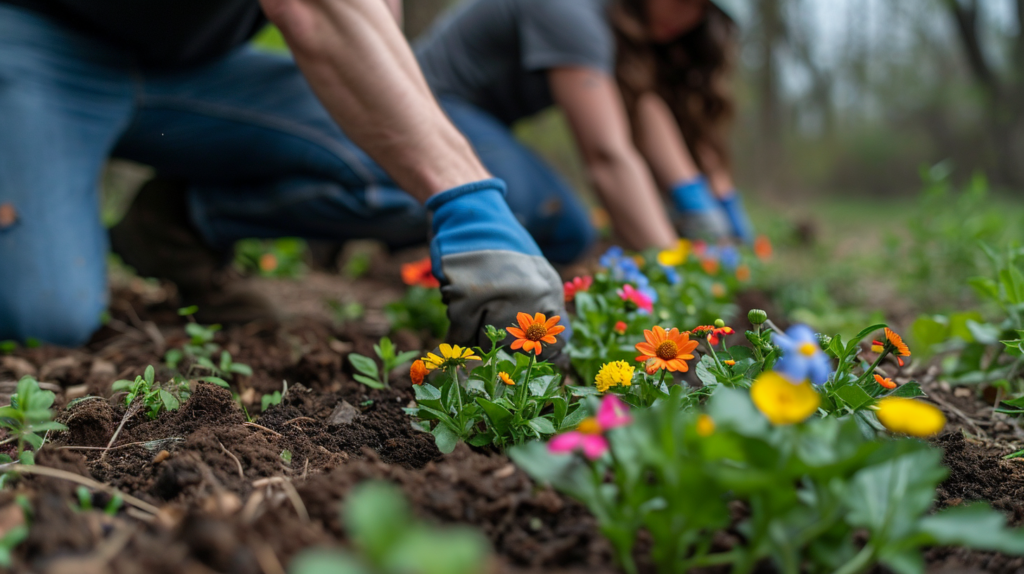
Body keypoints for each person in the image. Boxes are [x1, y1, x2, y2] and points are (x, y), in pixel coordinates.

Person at [0, 0, 566, 349]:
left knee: (393, 165)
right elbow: (309, 8)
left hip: (202, 71)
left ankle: (176, 221)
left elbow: (375, 36)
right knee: (47, 315)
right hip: (37, 40)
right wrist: (466, 200)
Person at [413, 0, 754, 264]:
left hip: (482, 122)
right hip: (428, 103)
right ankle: (397, 212)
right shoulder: (574, 10)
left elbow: (653, 113)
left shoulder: (626, 28)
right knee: (533, 209)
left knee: (570, 232)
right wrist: (670, 265)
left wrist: (708, 201)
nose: (688, 16)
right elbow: (607, 156)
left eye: (702, 9)